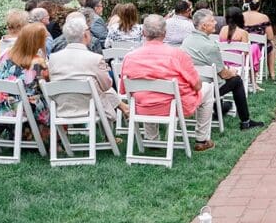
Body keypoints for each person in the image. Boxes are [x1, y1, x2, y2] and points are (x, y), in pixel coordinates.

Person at [119, 15, 214, 149]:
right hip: (174, 107)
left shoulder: (129, 57)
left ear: (143, 32)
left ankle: (152, 139)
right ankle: (202, 139)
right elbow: (197, 85)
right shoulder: (178, 55)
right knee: (208, 88)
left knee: (145, 94)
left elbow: (123, 90)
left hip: (143, 107)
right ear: (165, 33)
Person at [183, 9, 265, 131]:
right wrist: (232, 71)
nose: (216, 22)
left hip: (189, 86)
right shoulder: (211, 46)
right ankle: (245, 121)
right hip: (206, 88)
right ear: (204, 26)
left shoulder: (186, 41)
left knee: (218, 78)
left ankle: (220, 109)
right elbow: (224, 74)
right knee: (236, 80)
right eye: (212, 21)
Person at [48, 16, 129, 123]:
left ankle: (124, 108)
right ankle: (124, 109)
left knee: (96, 86)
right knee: (100, 88)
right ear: (85, 35)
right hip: (90, 107)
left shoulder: (53, 58)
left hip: (62, 106)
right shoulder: (95, 58)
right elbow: (107, 86)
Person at [0, 22, 51, 135]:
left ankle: (22, 134)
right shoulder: (37, 61)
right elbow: (45, 84)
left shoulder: (6, 53)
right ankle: (50, 141)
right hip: (21, 107)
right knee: (50, 101)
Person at [242, 0, 276, 81]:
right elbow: (270, 37)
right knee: (272, 46)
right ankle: (272, 74)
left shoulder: (240, 16)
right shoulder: (264, 17)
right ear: (258, 5)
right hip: (259, 47)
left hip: (244, 47)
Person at [219, 7, 262, 78]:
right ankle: (254, 80)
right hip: (239, 63)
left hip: (225, 61)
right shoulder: (243, 32)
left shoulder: (222, 29)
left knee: (253, 48)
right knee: (255, 47)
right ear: (240, 18)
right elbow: (245, 52)